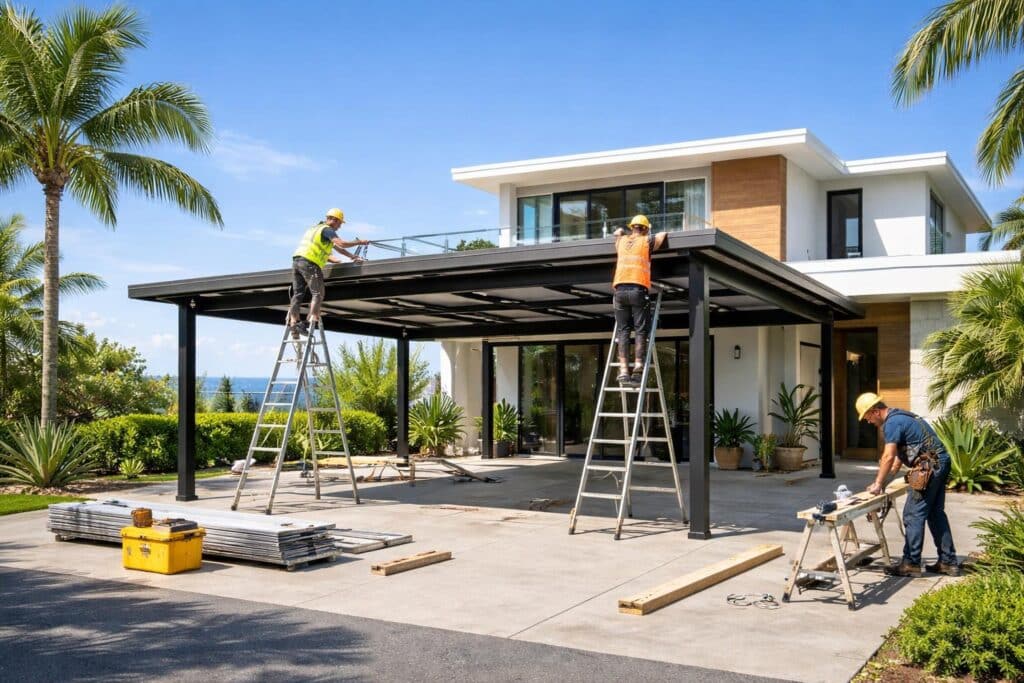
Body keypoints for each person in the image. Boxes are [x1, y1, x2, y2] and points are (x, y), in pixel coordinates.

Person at [857, 392, 959, 577]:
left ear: (875, 411)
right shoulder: (901, 416)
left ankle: (911, 563)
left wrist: (878, 483)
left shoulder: (891, 423)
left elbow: (888, 456)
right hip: (940, 462)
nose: (868, 421)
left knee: (913, 514)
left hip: (929, 467)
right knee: (935, 513)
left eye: (867, 417)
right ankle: (948, 562)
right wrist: (886, 481)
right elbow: (897, 458)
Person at [287, 208, 369, 338]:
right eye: (340, 223)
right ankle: (310, 321)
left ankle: (293, 324)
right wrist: (359, 242)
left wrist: (352, 257)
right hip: (310, 263)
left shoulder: (315, 229)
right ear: (334, 220)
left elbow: (337, 248)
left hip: (297, 261)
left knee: (298, 293)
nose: (339, 227)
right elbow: (341, 243)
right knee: (318, 293)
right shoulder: (327, 230)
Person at [611, 215, 668, 385]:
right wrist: (652, 231)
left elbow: (617, 233)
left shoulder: (621, 242)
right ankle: (637, 369)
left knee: (623, 330)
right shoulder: (647, 241)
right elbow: (662, 236)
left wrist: (620, 232)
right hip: (637, 289)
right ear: (645, 229)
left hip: (620, 290)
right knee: (641, 330)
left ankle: (622, 371)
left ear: (632, 228)